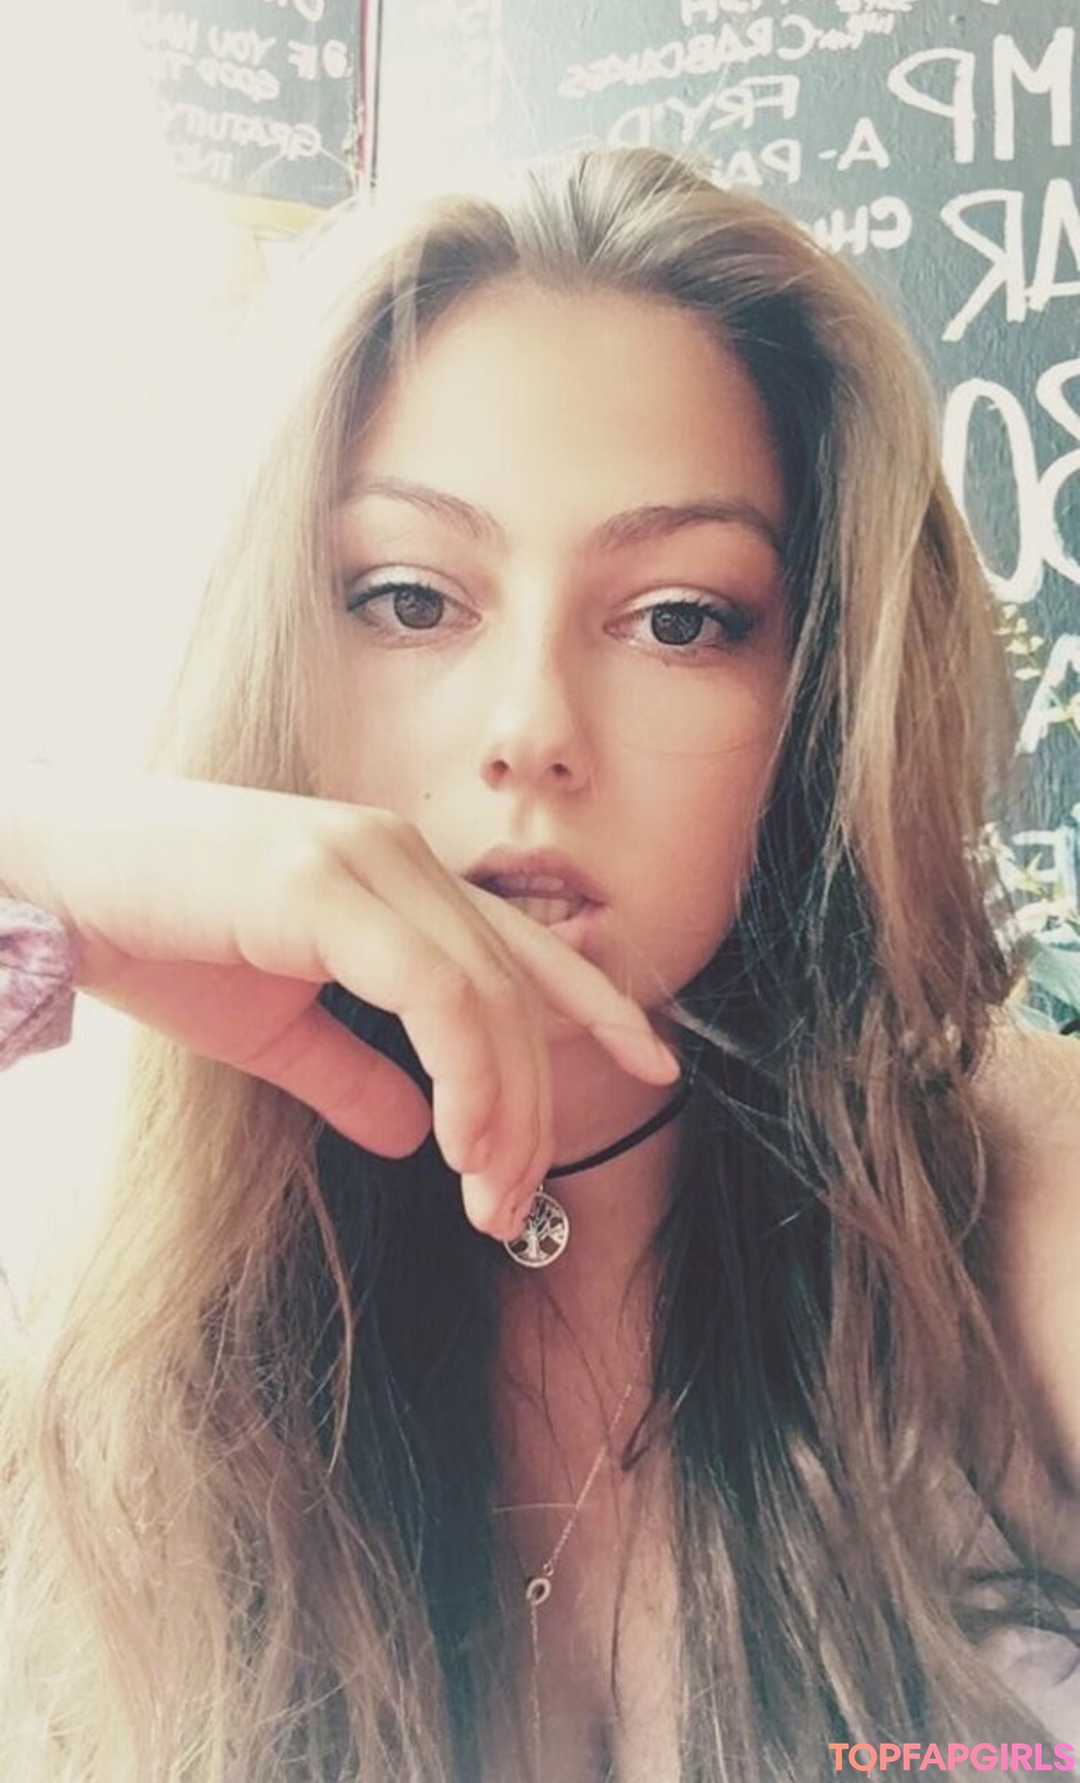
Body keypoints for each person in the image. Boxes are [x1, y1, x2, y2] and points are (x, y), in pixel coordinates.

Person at [0, 143, 1078, 1783]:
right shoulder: (78, 1305)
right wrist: (30, 869)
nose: (529, 730)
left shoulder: (1007, 1206)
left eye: (679, 619)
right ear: (274, 637)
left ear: (815, 700)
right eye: (409, 598)